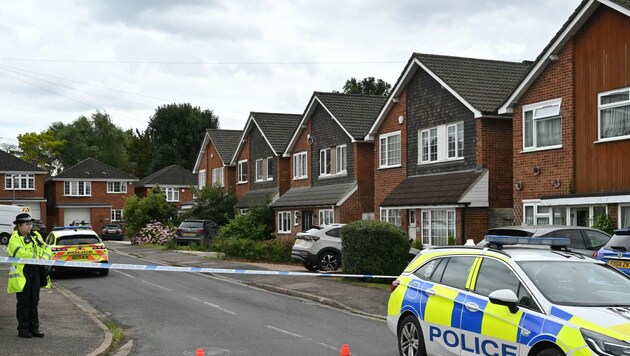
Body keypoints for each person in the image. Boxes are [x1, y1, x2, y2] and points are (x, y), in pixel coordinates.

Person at [6, 213, 52, 338]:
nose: (30, 226)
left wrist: (43, 257)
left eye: (30, 224)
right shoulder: (14, 238)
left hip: (36, 271)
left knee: (34, 301)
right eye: (27, 224)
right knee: (24, 302)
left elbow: (47, 249)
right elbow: (19, 252)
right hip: (23, 272)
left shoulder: (36, 236)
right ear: (19, 226)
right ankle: (23, 329)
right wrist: (37, 257)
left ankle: (34, 328)